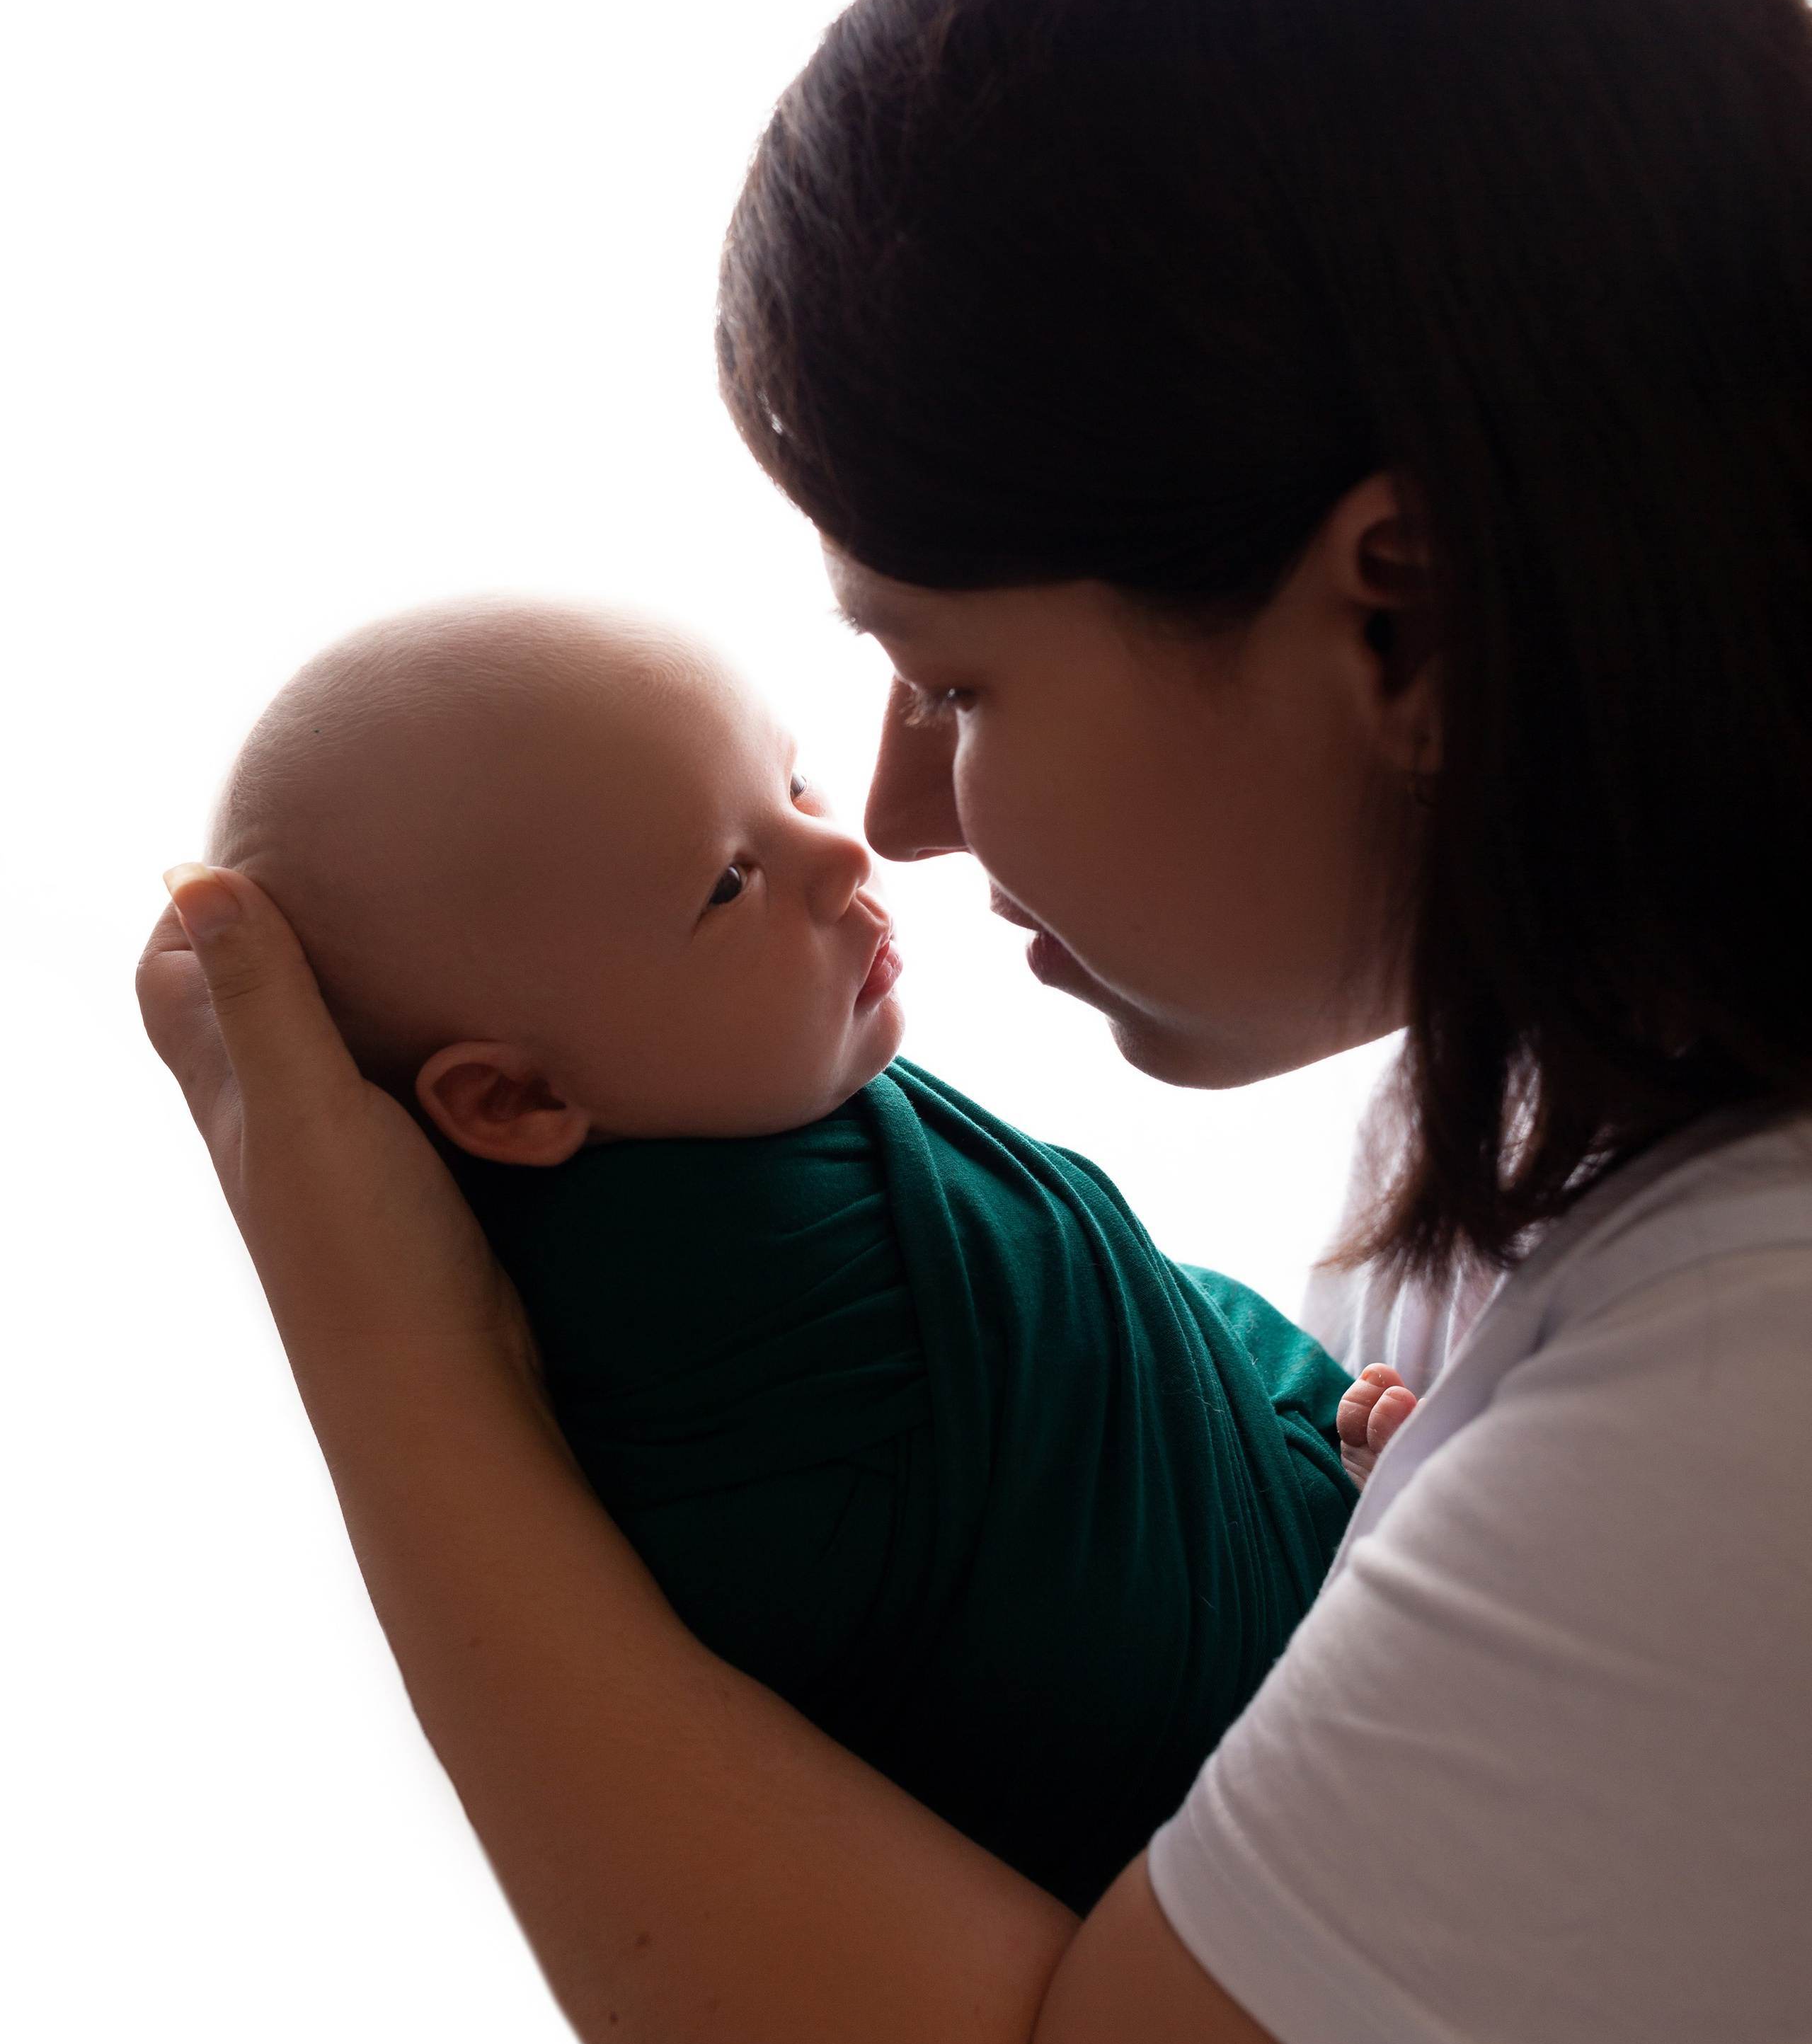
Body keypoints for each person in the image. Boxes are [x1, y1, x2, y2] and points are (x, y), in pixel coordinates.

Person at [139, 0, 1812, 2044]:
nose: (903, 813)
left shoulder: (1760, 1419)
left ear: (1409, 612)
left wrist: (392, 1359)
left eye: (958, 681)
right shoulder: (1584, 1114)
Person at [207, 595, 1397, 1913]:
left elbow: (1142, 1323)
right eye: (728, 882)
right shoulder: (705, 1349)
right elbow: (1069, 1692)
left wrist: (1303, 1423)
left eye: (791, 783)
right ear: (513, 1104)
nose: (844, 852)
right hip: (1317, 1833)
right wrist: (1346, 1513)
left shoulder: (773, 1117)